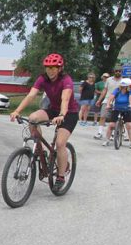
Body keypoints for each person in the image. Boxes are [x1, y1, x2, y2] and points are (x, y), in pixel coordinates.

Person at [9, 53, 79, 191]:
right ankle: (39, 149)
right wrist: (17, 111)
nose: (50, 70)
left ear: (60, 68)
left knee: (60, 144)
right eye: (48, 67)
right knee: (32, 118)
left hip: (69, 113)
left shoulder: (66, 80)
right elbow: (31, 95)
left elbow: (65, 99)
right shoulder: (42, 79)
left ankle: (60, 177)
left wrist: (61, 115)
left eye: (54, 67)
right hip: (53, 109)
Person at [103, 77, 131, 148]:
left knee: (129, 125)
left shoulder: (130, 92)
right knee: (111, 125)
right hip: (117, 108)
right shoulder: (117, 90)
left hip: (127, 109)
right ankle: (107, 140)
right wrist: (108, 104)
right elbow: (111, 98)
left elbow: (130, 99)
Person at [95, 68, 123, 139]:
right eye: (116, 71)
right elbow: (105, 90)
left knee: (115, 118)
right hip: (107, 99)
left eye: (119, 71)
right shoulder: (109, 80)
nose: (118, 72)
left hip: (118, 100)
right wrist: (99, 100)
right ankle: (100, 133)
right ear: (114, 72)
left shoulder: (123, 81)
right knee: (102, 116)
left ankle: (114, 133)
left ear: (121, 72)